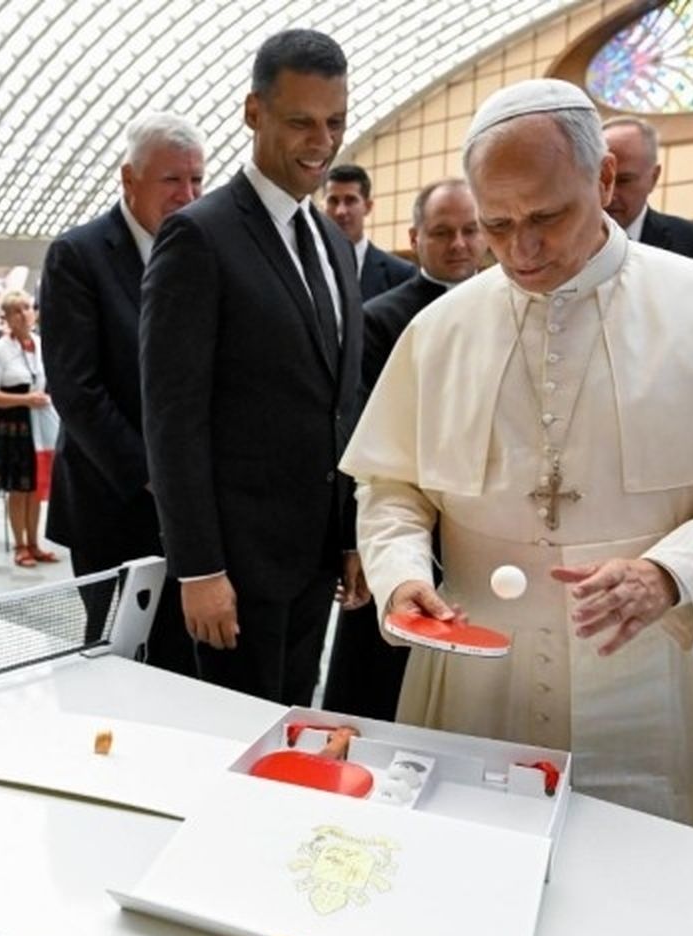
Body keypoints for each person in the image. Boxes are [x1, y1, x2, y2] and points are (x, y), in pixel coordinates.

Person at [339, 79, 693, 852]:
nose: (521, 250)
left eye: (546, 217)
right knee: (478, 877)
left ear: (603, 180)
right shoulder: (439, 330)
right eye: (496, 224)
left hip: (662, 664)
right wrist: (403, 574)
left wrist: (670, 572)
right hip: (481, 671)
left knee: (658, 895)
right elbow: (391, 484)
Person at [141, 29, 364, 704]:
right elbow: (173, 418)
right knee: (237, 745)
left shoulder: (329, 239)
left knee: (297, 723)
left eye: (334, 123)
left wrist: (350, 535)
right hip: (236, 571)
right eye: (300, 122)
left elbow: (338, 402)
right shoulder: (199, 237)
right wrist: (198, 567)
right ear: (253, 112)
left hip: (315, 560)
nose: (320, 142)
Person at [42, 112, 204, 673]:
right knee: (114, 657)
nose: (187, 195)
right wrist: (152, 472)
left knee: (182, 659)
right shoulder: (79, 256)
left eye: (197, 181)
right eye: (171, 181)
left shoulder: (206, 254)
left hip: (190, 509)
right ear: (129, 180)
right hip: (110, 501)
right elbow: (76, 388)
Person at [323, 177, 485, 720]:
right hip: (406, 517)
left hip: (482, 528)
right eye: (443, 232)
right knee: (379, 685)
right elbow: (363, 441)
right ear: (415, 237)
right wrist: (360, 544)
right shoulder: (383, 319)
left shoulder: (511, 309)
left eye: (470, 230)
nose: (459, 244)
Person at [0, 289, 57, 567]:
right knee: (19, 488)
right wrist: (24, 399)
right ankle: (20, 544)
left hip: (40, 424)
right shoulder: (0, 349)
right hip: (14, 426)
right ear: (7, 318)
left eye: (27, 308)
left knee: (36, 487)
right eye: (17, 310)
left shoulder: (40, 343)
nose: (25, 314)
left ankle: (35, 542)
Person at [600, 117, 693, 269]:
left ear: (654, 178)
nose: (610, 194)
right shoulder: (568, 242)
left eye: (624, 180)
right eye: (601, 179)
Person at [323, 162, 416, 299]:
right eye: (333, 201)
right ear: (322, 206)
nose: (340, 211)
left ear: (368, 206)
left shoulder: (401, 274)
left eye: (350, 200)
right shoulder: (305, 266)